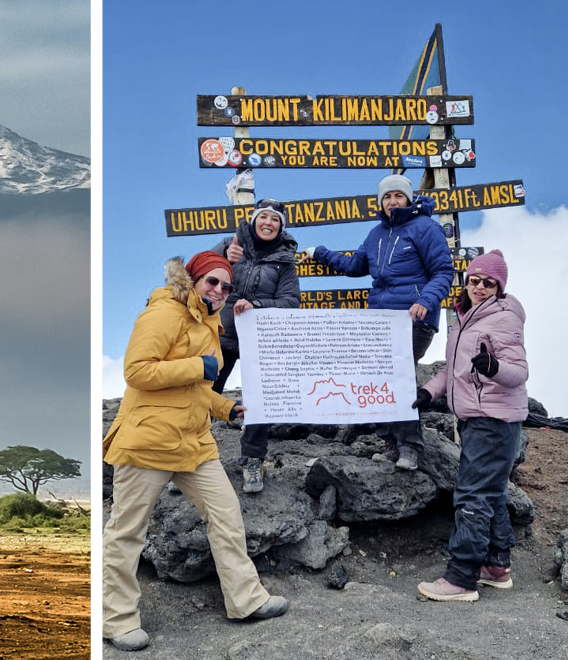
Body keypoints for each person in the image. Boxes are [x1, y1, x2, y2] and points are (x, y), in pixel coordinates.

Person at [102, 251, 288, 652]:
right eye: (212, 282)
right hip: (147, 442)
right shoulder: (163, 313)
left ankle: (246, 600)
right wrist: (195, 366)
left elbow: (200, 388)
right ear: (193, 280)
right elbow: (136, 371)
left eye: (225, 285)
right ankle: (115, 621)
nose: (220, 291)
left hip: (194, 443)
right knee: (126, 532)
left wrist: (226, 408)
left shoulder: (209, 323)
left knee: (226, 514)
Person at [306, 174, 455, 470]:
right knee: (377, 380)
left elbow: (444, 272)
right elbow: (354, 265)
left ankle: (410, 447)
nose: (392, 201)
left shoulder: (426, 228)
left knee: (399, 376)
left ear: (409, 198)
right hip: (379, 322)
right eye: (386, 197)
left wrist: (425, 301)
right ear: (380, 202)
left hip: (414, 318)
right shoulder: (375, 234)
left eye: (398, 195)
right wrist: (320, 254)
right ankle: (389, 444)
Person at [414, 250, 528, 602]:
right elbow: (452, 371)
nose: (479, 286)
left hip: (493, 421)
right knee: (491, 493)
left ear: (499, 286)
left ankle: (462, 578)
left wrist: (493, 367)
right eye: (474, 280)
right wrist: (429, 391)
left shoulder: (504, 319)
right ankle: (496, 566)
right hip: (477, 418)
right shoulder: (464, 317)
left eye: (488, 282)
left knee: (472, 495)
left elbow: (519, 373)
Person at [211, 198, 301, 493]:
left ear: (281, 227)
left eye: (275, 219)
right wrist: (223, 255)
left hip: (261, 339)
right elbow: (200, 276)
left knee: (260, 402)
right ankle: (192, 459)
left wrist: (258, 304)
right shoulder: (230, 245)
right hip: (221, 335)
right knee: (203, 395)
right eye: (263, 217)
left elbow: (291, 302)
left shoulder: (286, 260)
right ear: (253, 220)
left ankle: (252, 460)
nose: (268, 223)